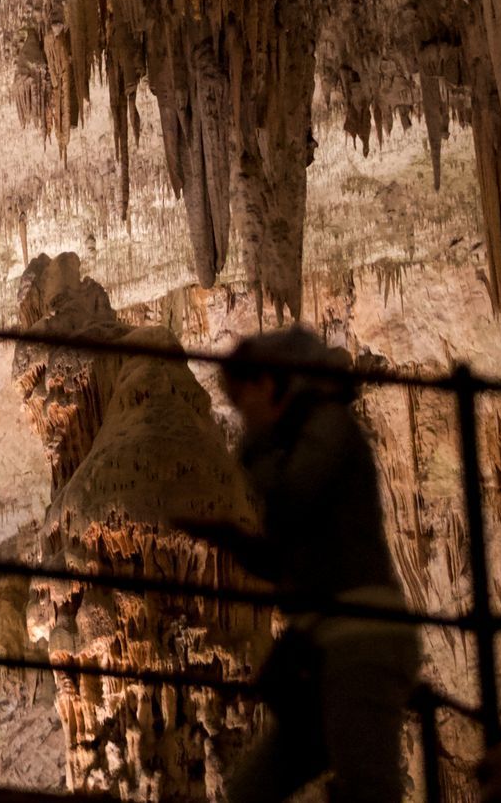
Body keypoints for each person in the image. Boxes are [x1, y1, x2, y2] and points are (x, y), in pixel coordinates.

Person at [178, 326, 422, 803]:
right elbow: (283, 561)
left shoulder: (329, 426)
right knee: (251, 790)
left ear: (269, 384)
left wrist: (250, 462)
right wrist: (224, 537)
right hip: (322, 647)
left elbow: (293, 506)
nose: (240, 414)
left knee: (367, 787)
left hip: (363, 639)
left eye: (240, 398)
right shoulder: (294, 444)